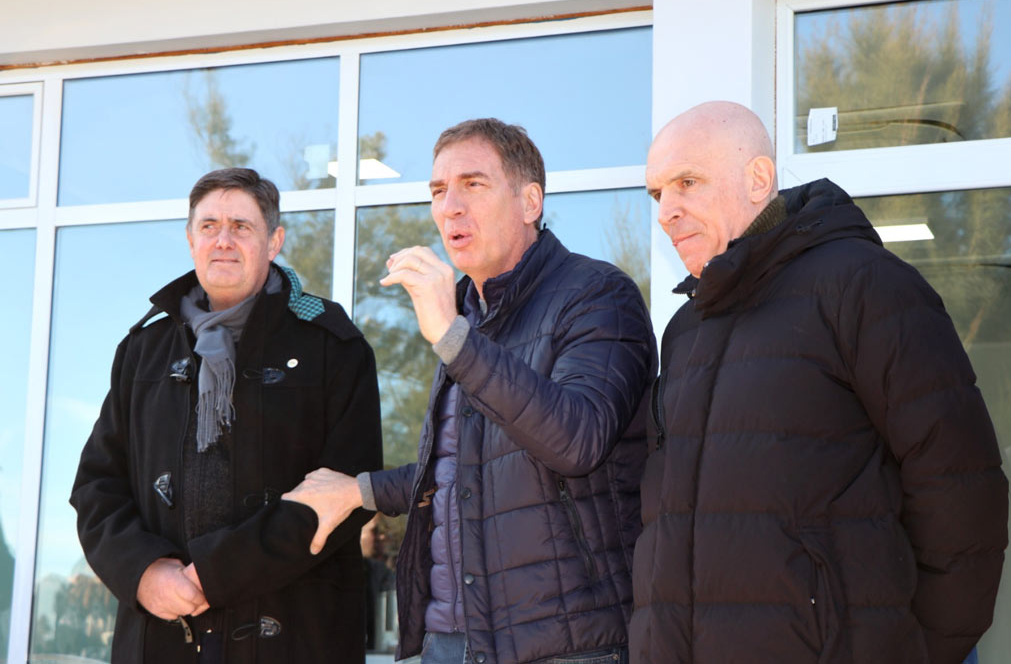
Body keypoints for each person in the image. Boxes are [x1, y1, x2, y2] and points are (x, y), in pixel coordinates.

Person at [629, 101, 1009, 663]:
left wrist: (920, 650)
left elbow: (960, 488)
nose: (666, 212)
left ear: (759, 179)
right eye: (657, 193)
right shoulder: (686, 329)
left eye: (687, 182)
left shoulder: (864, 287)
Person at [283, 118, 656, 664]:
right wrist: (359, 491)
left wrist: (452, 338)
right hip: (451, 641)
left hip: (566, 643)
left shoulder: (597, 295)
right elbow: (463, 469)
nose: (449, 207)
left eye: (473, 184)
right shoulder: (467, 315)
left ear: (530, 202)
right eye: (438, 191)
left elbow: (578, 441)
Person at [70, 167, 383, 663]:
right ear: (190, 239)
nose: (223, 241)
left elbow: (349, 492)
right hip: (163, 632)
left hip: (293, 635)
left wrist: (214, 574)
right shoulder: (143, 350)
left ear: (274, 241)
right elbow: (96, 486)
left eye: (241, 226)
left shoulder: (332, 347)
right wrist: (144, 573)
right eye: (209, 226)